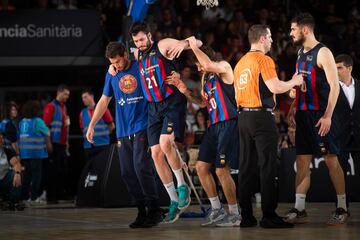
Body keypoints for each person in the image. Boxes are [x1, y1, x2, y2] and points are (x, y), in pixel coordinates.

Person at [108, 22, 202, 223]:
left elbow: (198, 42)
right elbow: (119, 58)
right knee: (156, 153)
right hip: (153, 107)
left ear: (149, 36)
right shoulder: (136, 54)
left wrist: (186, 42)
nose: (140, 44)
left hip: (171, 102)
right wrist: (111, 66)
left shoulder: (163, 45)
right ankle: (174, 200)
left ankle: (182, 185)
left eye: (142, 39)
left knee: (166, 143)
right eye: (136, 41)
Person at [166, 37, 241, 227]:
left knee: (221, 170)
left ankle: (235, 213)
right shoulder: (205, 78)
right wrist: (183, 89)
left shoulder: (224, 67)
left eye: (199, 64)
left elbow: (207, 63)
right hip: (213, 126)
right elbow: (203, 104)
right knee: (200, 167)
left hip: (229, 124)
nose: (199, 68)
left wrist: (191, 44)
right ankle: (217, 209)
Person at [233, 24, 303, 228]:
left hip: (243, 117)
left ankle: (246, 216)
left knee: (246, 168)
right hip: (262, 118)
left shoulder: (240, 63)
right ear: (262, 39)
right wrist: (294, 81)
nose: (273, 40)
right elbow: (275, 87)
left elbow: (237, 94)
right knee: (268, 166)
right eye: (270, 37)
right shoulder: (263, 59)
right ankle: (268, 216)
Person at [87, 42, 162, 228]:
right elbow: (104, 100)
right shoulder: (111, 74)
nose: (117, 65)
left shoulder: (140, 66)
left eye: (119, 61)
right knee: (127, 172)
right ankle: (141, 210)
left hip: (142, 125)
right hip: (122, 130)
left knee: (140, 166)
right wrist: (92, 125)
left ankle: (155, 208)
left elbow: (152, 54)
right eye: (113, 62)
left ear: (125, 55)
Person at [285, 13, 348, 225]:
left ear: (304, 30)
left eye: (293, 29)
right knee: (302, 160)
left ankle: (342, 206)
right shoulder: (300, 52)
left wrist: (328, 115)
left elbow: (335, 86)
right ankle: (300, 208)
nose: (290, 33)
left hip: (321, 114)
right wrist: (294, 103)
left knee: (331, 159)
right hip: (303, 114)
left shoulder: (324, 52)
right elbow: (302, 83)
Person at [334, 54, 360, 208]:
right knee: (338, 175)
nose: (336, 71)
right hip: (339, 138)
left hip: (358, 137)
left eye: (340, 68)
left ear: (349, 68)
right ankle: (341, 208)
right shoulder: (331, 88)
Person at [19, 100, 52, 204]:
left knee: (27, 176)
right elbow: (47, 134)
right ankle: (33, 198)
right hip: (36, 153)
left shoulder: (22, 121)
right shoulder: (38, 121)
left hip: (24, 154)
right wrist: (50, 147)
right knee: (36, 176)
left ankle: (25, 198)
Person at [43, 84, 70, 203]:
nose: (67, 97)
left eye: (68, 95)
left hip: (62, 144)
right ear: (59, 92)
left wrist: (67, 143)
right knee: (53, 171)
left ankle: (59, 195)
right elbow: (45, 126)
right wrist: (48, 143)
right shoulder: (51, 106)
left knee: (61, 170)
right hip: (54, 143)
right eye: (65, 94)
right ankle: (51, 196)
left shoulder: (63, 107)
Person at [79, 89, 114, 162]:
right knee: (90, 170)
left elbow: (112, 126)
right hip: (88, 146)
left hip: (102, 145)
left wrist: (103, 137)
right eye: (82, 98)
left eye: (85, 97)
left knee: (102, 169)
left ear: (91, 96)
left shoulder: (102, 109)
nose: (83, 99)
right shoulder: (82, 113)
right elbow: (83, 129)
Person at [0, 130, 23, 210]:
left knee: (15, 175)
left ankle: (13, 202)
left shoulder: (7, 151)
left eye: (2, 138)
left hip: (3, 180)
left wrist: (17, 173)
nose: (1, 140)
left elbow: (16, 163)